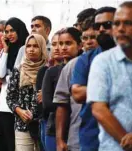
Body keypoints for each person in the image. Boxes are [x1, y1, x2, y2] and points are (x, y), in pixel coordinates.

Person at [87, 1, 132, 151]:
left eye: (128, 23)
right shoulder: (102, 62)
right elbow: (99, 108)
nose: (121, 29)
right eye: (116, 24)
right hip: (115, 147)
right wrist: (129, 141)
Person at [70, 6, 116, 151]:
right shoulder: (86, 60)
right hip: (93, 137)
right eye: (97, 26)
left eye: (107, 25)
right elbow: (77, 93)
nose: (101, 29)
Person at [54, 16, 99, 151]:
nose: (89, 42)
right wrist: (60, 140)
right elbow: (62, 104)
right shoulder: (73, 66)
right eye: (85, 38)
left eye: (93, 37)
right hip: (78, 138)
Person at [42, 27, 82, 151]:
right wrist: (70, 101)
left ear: (80, 45)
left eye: (68, 43)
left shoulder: (84, 68)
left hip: (78, 127)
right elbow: (47, 104)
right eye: (60, 44)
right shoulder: (52, 71)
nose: (63, 47)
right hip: (55, 129)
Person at [6, 34, 48, 151]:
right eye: (28, 46)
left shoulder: (48, 70)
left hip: (44, 124)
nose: (31, 49)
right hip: (23, 124)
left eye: (36, 46)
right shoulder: (18, 70)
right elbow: (10, 97)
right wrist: (20, 112)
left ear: (42, 48)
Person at [0, 17, 29, 151]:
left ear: (20, 30)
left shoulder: (27, 49)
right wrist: (5, 50)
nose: (9, 34)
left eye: (12, 31)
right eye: (7, 31)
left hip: (22, 105)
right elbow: (0, 74)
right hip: (5, 106)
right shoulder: (6, 52)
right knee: (9, 145)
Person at [35, 31, 62, 151]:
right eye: (54, 44)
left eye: (60, 44)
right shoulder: (45, 70)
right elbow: (44, 100)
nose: (57, 48)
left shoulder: (75, 67)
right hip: (48, 120)